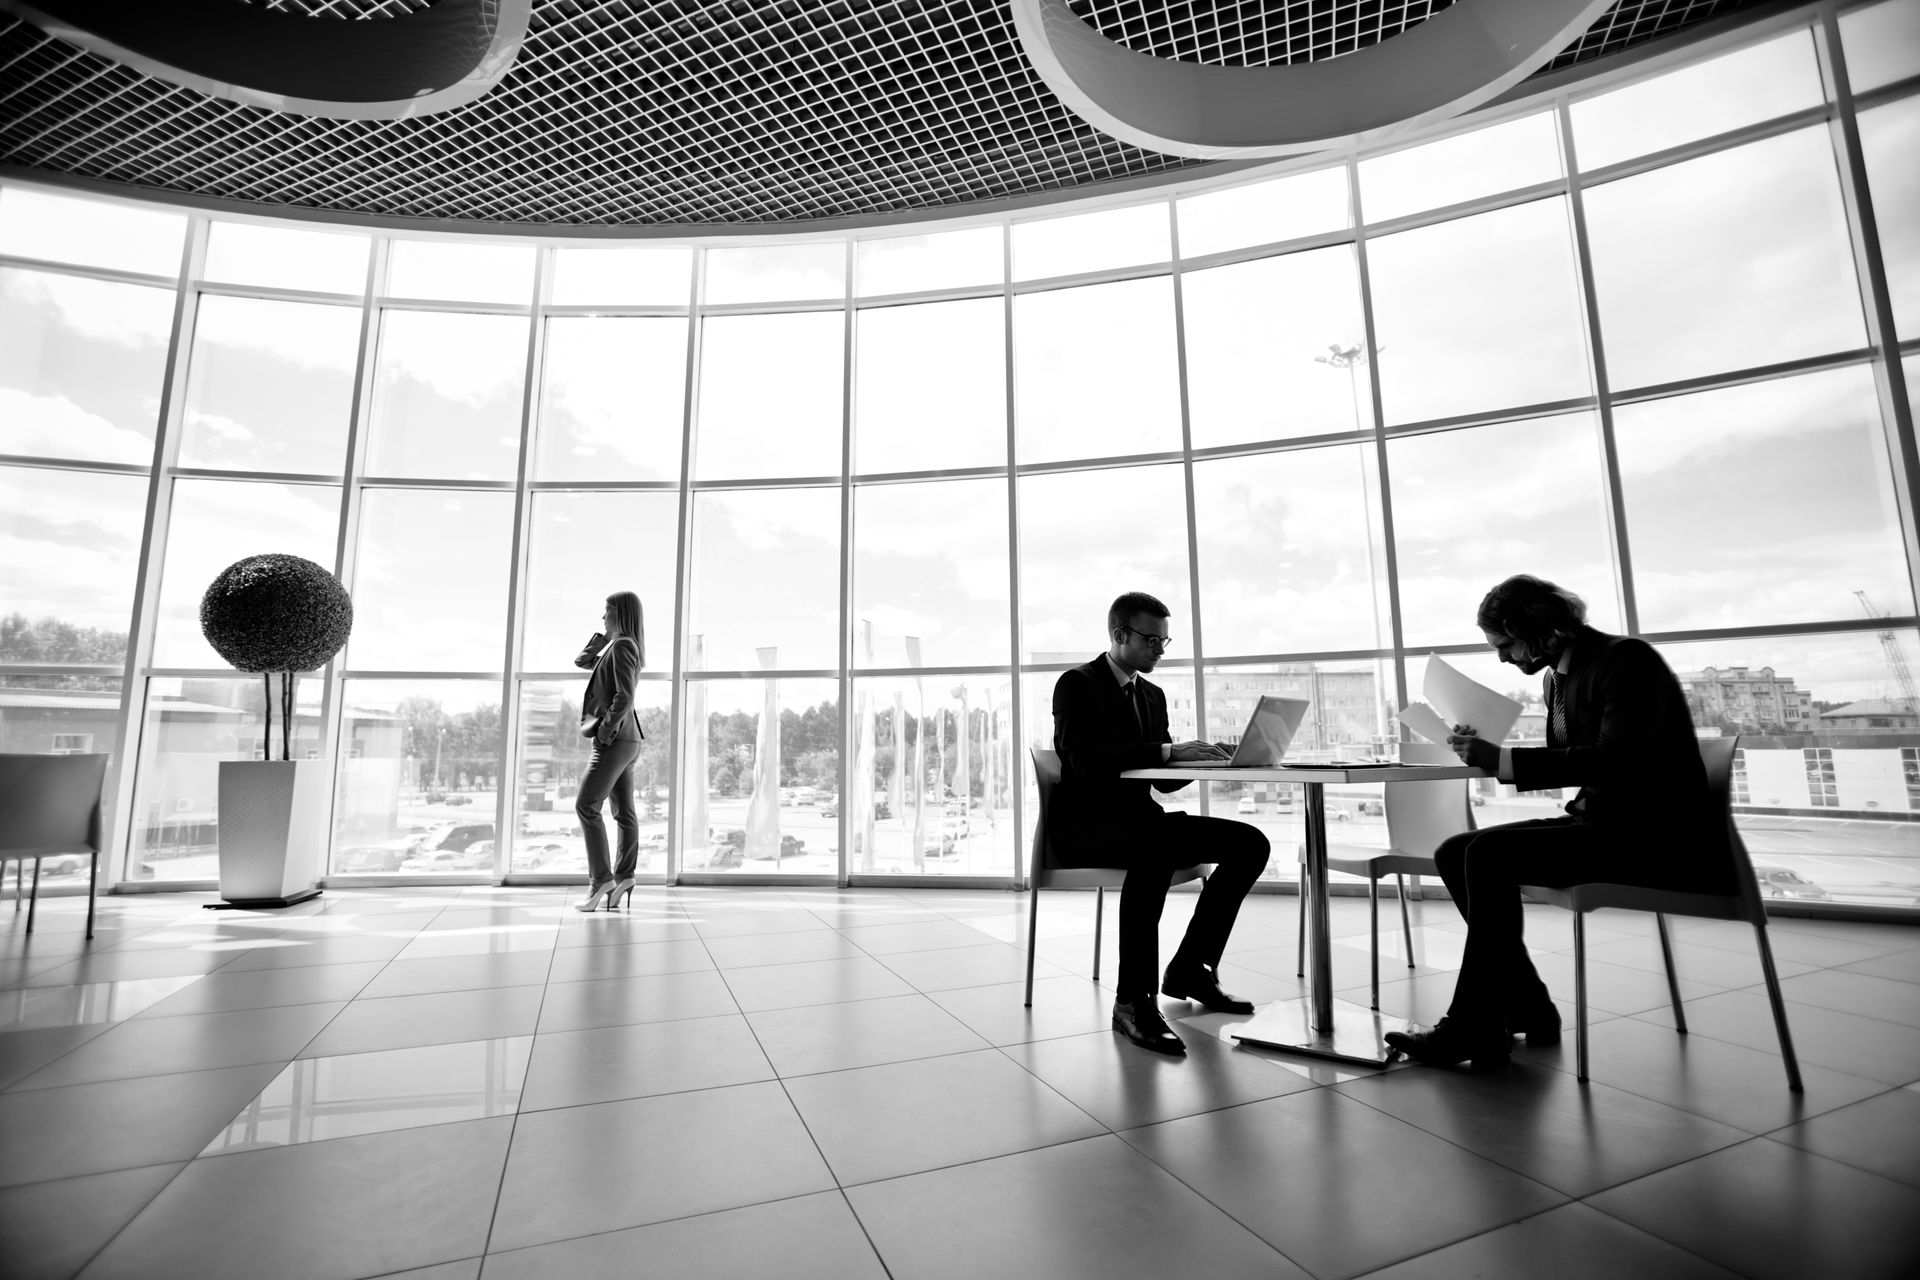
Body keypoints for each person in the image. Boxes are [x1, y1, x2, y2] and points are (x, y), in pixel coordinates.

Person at [1385, 574, 1728, 1069]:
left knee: (1484, 854)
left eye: (1506, 644)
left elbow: (1615, 759)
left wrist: (1503, 761)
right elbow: (1569, 758)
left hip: (1658, 839)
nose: (1503, 658)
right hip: (1606, 826)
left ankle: (1475, 1028)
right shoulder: (1556, 678)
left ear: (1541, 628)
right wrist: (1480, 747)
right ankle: (1530, 1008)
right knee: (1453, 850)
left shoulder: (1626, 659)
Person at [1050, 591, 1272, 1056]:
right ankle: (1133, 1001)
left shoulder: (1151, 695)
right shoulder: (1077, 684)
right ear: (1119, 635)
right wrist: (1169, 752)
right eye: (1152, 639)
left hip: (1143, 825)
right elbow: (1087, 763)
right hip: (1087, 831)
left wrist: (1209, 759)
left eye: (1165, 641)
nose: (1160, 650)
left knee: (1251, 843)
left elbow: (1165, 785)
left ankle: (1192, 967)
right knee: (1156, 847)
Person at [572, 591, 646, 912]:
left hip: (615, 740)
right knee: (623, 813)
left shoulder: (624, 646)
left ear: (622, 615)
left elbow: (624, 695)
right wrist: (602, 637)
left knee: (587, 806)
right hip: (628, 740)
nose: (603, 618)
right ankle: (624, 876)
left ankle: (600, 880)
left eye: (607, 613)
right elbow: (582, 661)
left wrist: (605, 730)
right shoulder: (617, 645)